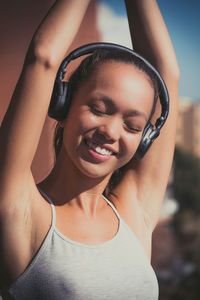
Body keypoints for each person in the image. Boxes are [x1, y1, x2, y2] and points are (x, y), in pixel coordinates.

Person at [0, 0, 179, 299]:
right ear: (64, 105)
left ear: (145, 138)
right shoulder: (22, 211)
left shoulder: (136, 213)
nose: (110, 131)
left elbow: (166, 76)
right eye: (98, 108)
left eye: (133, 126)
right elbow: (43, 56)